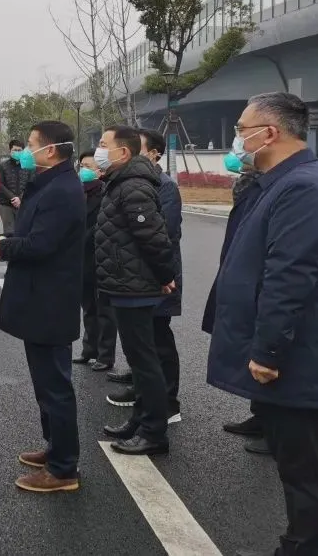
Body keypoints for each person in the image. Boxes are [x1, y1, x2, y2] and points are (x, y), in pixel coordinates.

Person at [207, 92, 318, 555]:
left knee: (303, 467)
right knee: (296, 463)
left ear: (269, 133)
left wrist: (267, 351)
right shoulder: (276, 183)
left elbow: (289, 275)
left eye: (241, 129)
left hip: (297, 357)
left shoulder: (301, 188)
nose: (237, 139)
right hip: (292, 351)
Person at [0, 120, 83, 493]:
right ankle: (54, 448)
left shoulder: (62, 190)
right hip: (41, 299)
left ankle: (63, 470)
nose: (26, 151)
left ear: (51, 150)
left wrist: (4, 246)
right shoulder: (49, 183)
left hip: (50, 301)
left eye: (31, 144)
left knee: (55, 386)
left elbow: (41, 244)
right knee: (45, 384)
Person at [94, 125, 176, 456]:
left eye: (103, 144)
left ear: (123, 152)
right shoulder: (120, 182)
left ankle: (154, 432)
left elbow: (154, 238)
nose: (98, 150)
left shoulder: (134, 186)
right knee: (139, 360)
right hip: (124, 284)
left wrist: (166, 275)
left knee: (144, 362)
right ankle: (140, 420)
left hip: (134, 287)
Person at [106, 130, 184, 419]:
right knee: (142, 340)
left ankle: (169, 401)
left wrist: (162, 275)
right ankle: (143, 390)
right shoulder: (132, 181)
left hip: (158, 276)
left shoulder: (165, 186)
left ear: (154, 154)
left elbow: (164, 233)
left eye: (137, 148)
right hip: (138, 276)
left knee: (159, 339)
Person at [203, 164, 269, 455]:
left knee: (270, 353)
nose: (239, 146)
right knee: (252, 348)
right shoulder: (250, 183)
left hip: (261, 281)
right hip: (244, 276)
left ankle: (276, 429)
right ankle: (261, 416)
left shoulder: (277, 186)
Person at [72, 150, 115, 371]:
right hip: (82, 259)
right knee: (88, 306)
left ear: (100, 171)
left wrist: (79, 238)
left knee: (104, 309)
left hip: (102, 258)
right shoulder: (77, 192)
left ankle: (106, 355)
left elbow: (101, 227)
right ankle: (89, 349)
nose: (84, 170)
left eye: (88, 166)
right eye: (81, 166)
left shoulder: (107, 193)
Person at [0, 139, 34, 235]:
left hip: (24, 205)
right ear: (10, 151)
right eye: (15, 150)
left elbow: (31, 184)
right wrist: (13, 198)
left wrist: (20, 198)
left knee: (23, 232)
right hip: (6, 205)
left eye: (19, 150)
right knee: (9, 233)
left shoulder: (28, 166)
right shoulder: (2, 166)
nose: (17, 152)